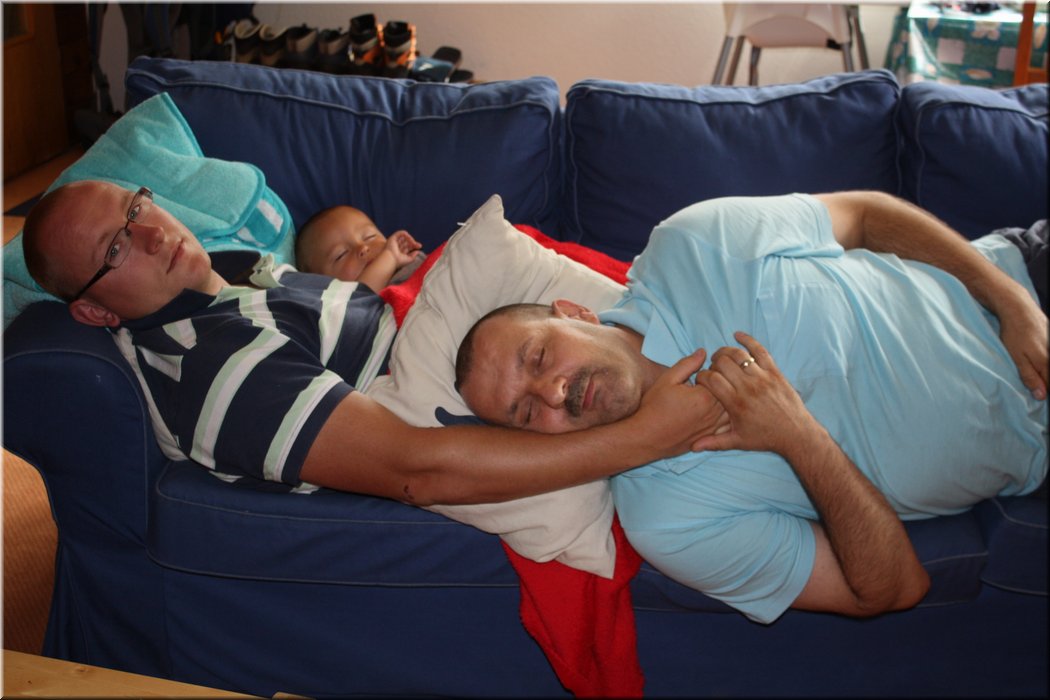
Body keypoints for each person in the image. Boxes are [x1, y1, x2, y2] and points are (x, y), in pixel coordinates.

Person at [454, 190, 1049, 624]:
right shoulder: (668, 518)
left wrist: (1013, 301)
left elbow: (868, 215)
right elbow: (892, 590)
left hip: (1026, 280)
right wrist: (798, 436)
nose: (553, 392)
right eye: (527, 413)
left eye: (538, 358)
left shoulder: (692, 244)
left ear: (575, 313)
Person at [21, 179, 725, 508]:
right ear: (94, 311)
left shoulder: (233, 275)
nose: (152, 233)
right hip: (492, 379)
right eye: (116, 247)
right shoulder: (213, 370)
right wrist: (647, 439)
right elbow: (415, 471)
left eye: (136, 207)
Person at [294, 204, 426, 292]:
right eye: (341, 254)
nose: (362, 248)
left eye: (370, 237)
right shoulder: (344, 308)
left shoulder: (412, 263)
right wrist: (390, 256)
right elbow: (360, 297)